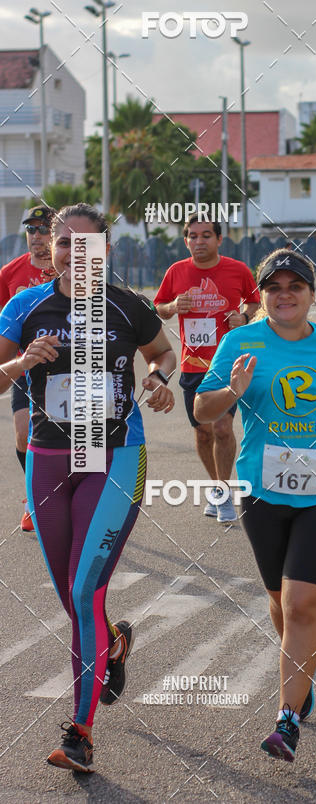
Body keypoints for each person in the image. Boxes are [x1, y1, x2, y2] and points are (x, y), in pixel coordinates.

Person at [0, 203, 176, 772]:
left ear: (107, 249)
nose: (76, 253)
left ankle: (80, 732)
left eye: (88, 243)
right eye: (63, 242)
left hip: (115, 455)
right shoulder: (26, 306)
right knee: (73, 600)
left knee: (82, 595)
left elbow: (164, 351)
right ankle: (114, 644)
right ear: (49, 247)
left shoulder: (126, 304)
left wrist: (158, 376)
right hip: (50, 460)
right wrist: (23, 363)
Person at [194, 248, 316, 762]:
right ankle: (303, 679)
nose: (285, 294)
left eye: (296, 285)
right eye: (275, 286)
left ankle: (286, 719)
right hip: (262, 489)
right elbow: (202, 408)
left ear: (311, 293)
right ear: (263, 295)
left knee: (300, 604)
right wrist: (232, 388)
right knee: (278, 599)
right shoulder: (240, 342)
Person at [154, 219, 259, 521]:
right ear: (186, 241)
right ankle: (217, 485)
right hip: (193, 365)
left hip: (227, 364)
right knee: (203, 434)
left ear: (219, 239)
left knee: (222, 428)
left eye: (206, 236)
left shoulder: (237, 269)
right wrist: (172, 307)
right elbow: (157, 307)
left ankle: (224, 494)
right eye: (193, 237)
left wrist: (243, 316)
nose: (200, 242)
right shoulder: (176, 271)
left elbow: (254, 301)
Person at [0, 203, 56, 531]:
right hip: (25, 367)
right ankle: (34, 498)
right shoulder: (9, 275)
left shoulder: (71, 270)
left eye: (44, 229)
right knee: (23, 434)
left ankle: (77, 498)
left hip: (67, 368)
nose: (36, 235)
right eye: (31, 229)